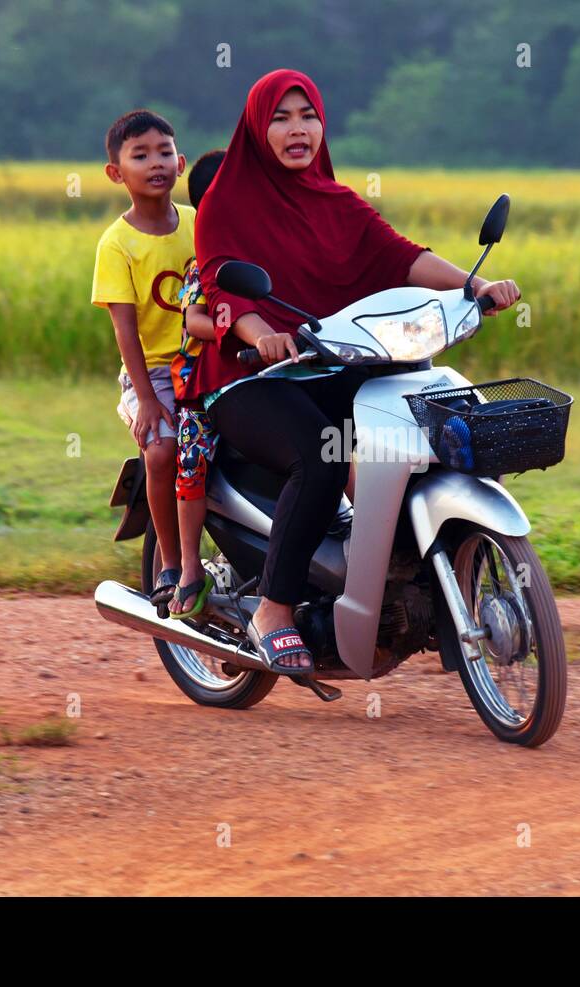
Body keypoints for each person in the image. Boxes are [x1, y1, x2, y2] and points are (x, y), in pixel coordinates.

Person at [192, 69, 520, 674]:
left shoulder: (335, 202)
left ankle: (403, 575)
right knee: (321, 457)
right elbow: (222, 287)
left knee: (430, 429)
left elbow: (398, 256)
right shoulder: (225, 204)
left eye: (309, 115)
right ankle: (274, 608)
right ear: (255, 129)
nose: (298, 130)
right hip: (247, 380)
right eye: (281, 118)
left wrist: (475, 286)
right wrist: (262, 336)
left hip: (331, 365)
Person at [91, 110, 193, 614]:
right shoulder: (117, 243)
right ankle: (171, 565)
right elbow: (125, 330)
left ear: (181, 161)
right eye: (140, 155)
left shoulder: (199, 223)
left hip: (207, 362)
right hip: (150, 374)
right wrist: (147, 400)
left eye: (164, 152)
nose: (156, 163)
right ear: (116, 172)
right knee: (161, 452)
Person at [167, 149, 226, 619]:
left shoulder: (275, 250)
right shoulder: (204, 262)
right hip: (204, 384)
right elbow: (196, 321)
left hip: (266, 376)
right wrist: (244, 330)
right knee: (192, 467)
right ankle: (189, 567)